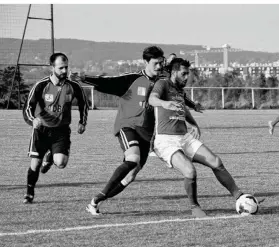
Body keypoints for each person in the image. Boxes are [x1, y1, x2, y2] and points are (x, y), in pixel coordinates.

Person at [70, 46, 200, 215]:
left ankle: (95, 201)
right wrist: (84, 78)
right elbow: (107, 82)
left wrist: (193, 105)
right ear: (145, 62)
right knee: (133, 159)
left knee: (130, 176)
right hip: (128, 126)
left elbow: (177, 94)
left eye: (161, 63)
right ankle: (98, 197)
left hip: (147, 134)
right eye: (155, 63)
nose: (159, 66)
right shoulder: (132, 79)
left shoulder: (163, 82)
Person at [148, 58, 248, 218]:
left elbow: (184, 109)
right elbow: (151, 99)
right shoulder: (162, 84)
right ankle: (195, 208)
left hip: (185, 137)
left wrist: (193, 124)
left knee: (216, 162)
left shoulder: (179, 90)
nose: (187, 77)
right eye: (183, 73)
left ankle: (240, 196)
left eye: (188, 73)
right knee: (190, 171)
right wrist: (163, 104)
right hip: (165, 140)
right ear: (174, 72)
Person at [22, 52, 89, 204]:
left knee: (61, 163)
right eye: (61, 68)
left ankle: (51, 157)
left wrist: (82, 121)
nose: (65, 71)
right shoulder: (41, 86)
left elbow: (83, 103)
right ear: (52, 67)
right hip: (42, 130)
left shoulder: (73, 86)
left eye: (66, 67)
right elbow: (27, 107)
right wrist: (32, 120)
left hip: (61, 131)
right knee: (35, 164)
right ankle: (29, 193)